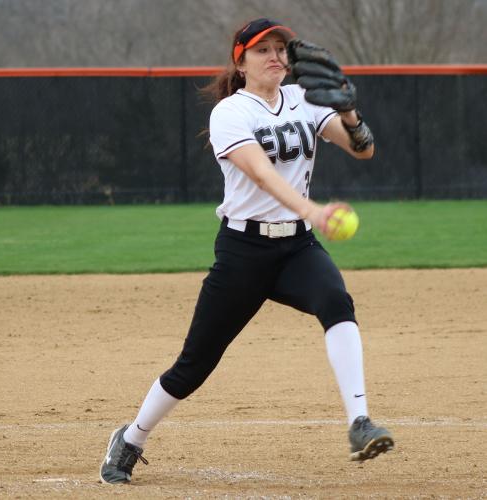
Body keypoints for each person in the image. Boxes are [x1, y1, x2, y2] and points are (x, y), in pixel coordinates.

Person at [100, 17, 394, 485]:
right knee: (195, 364)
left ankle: (360, 422)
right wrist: (313, 209)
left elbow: (362, 150)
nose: (276, 56)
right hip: (243, 251)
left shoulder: (302, 99)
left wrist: (351, 112)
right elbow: (261, 174)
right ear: (241, 62)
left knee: (336, 302)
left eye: (281, 49)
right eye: (263, 51)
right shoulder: (231, 113)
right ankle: (131, 438)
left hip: (297, 247)